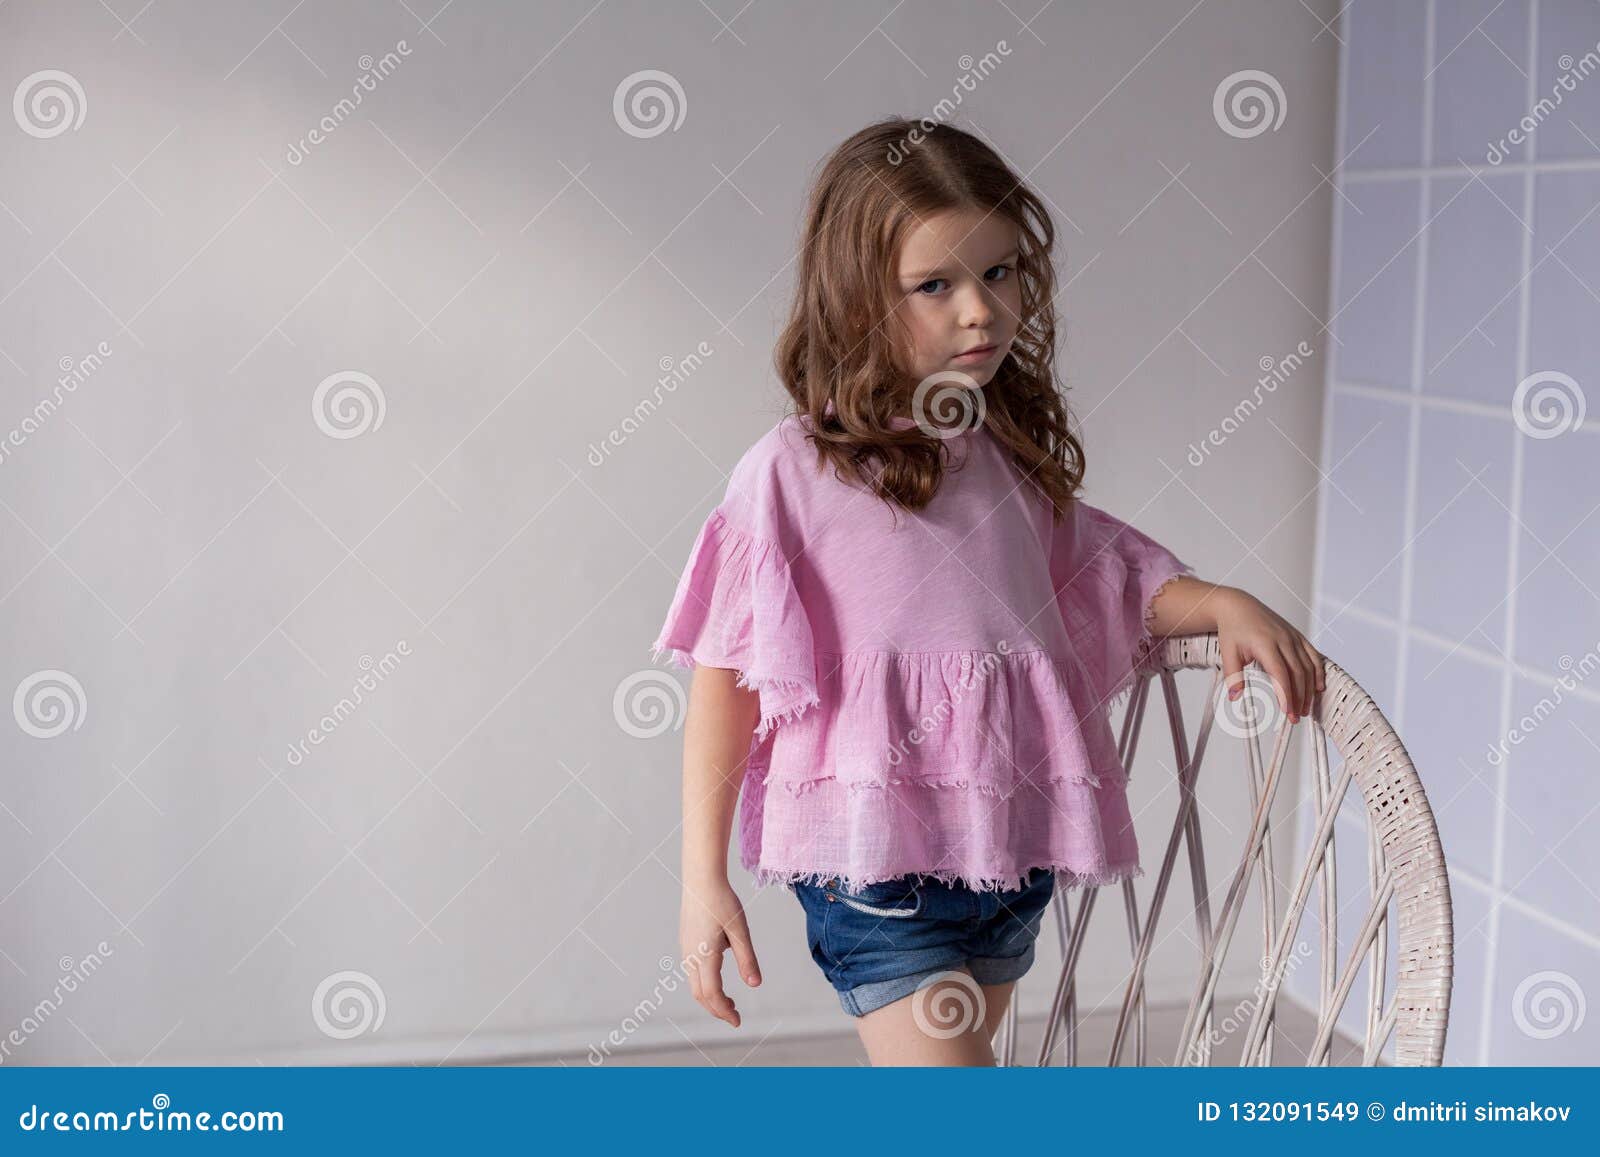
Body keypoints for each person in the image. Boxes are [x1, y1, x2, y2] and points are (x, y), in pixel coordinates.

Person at [650, 117, 1325, 1066]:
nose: (981, 310)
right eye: (936, 285)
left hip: (1008, 859)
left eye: (999, 273)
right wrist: (700, 881)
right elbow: (725, 679)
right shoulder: (792, 474)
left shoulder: (1004, 456)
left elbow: (1101, 578)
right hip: (876, 873)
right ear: (856, 303)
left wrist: (1220, 601)